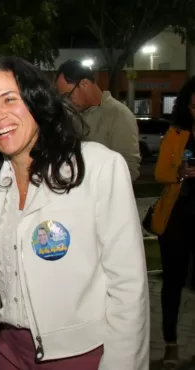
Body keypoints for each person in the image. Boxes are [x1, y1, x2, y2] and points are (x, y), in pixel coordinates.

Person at [0, 56, 149, 370]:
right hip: (8, 351)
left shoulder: (98, 168)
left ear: (36, 101)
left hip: (81, 355)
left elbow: (128, 288)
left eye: (9, 99)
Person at [150, 76, 195, 369]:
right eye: (194, 106)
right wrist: (178, 171)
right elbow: (159, 174)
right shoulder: (175, 134)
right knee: (173, 284)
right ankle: (170, 344)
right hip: (178, 218)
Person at [55, 60, 141, 181]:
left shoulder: (119, 115)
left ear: (84, 84)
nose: (67, 102)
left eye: (68, 95)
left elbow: (129, 168)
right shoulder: (72, 116)